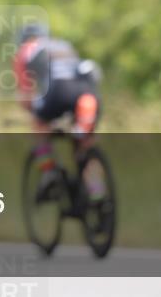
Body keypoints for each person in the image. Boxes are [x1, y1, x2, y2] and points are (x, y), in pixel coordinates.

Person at [12, 24, 105, 198]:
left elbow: (26, 95)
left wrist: (37, 115)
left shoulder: (26, 51)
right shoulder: (63, 45)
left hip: (58, 92)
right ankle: (96, 190)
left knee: (39, 126)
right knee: (84, 141)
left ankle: (49, 174)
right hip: (87, 93)